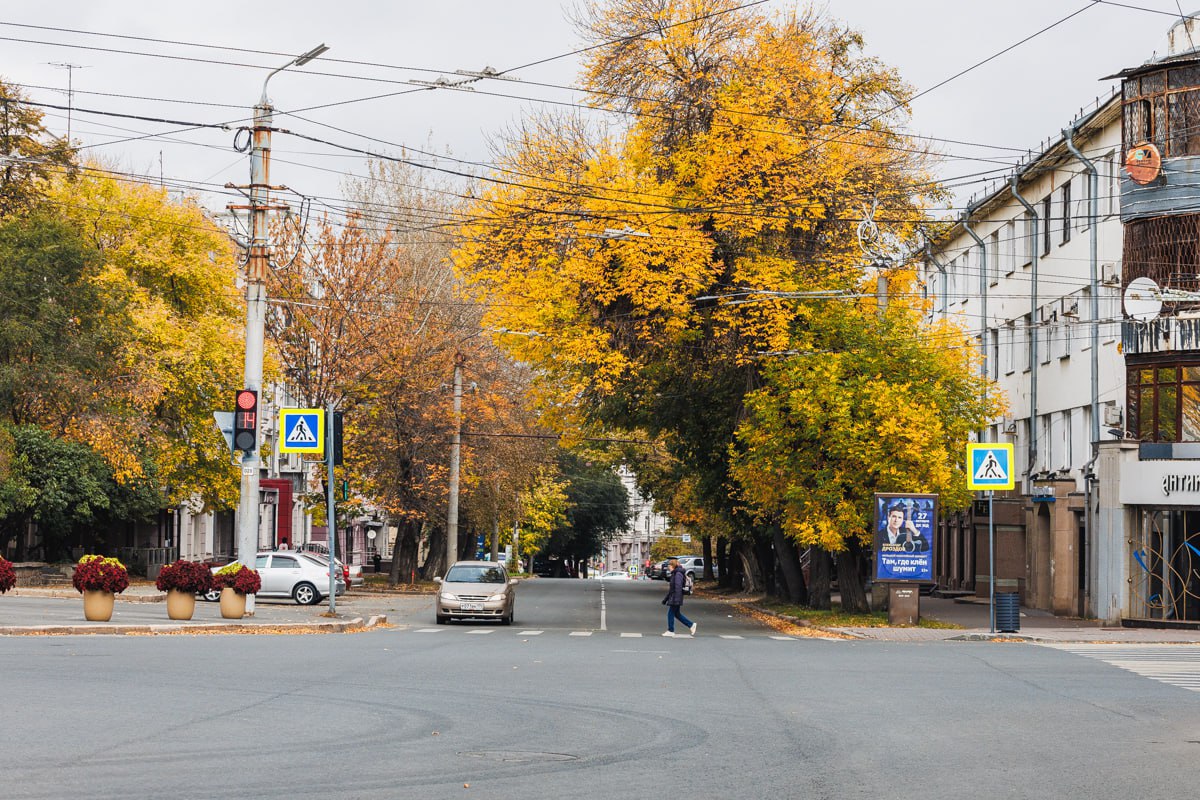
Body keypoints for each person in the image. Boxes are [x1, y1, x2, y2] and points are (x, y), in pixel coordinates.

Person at [661, 557, 697, 637]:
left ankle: (671, 630)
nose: (668, 568)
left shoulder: (677, 574)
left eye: (669, 567)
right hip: (675, 597)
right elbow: (672, 589)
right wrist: (665, 599)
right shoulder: (676, 573)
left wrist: (676, 599)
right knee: (677, 614)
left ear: (672, 566)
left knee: (670, 613)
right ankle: (691, 625)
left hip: (676, 597)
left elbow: (677, 587)